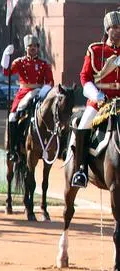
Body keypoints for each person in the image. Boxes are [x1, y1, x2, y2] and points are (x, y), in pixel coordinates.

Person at [70, 10, 120, 188]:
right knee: (83, 125)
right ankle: (80, 171)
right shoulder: (96, 49)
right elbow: (84, 77)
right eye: (115, 27)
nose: (118, 30)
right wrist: (97, 95)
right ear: (107, 29)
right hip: (100, 101)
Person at [1, 36, 54, 160]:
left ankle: (56, 146)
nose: (33, 49)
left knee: (53, 114)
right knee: (12, 116)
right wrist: (6, 56)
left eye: (35, 46)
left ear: (38, 48)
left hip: (40, 92)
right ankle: (13, 148)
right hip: (23, 93)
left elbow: (50, 81)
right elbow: (6, 72)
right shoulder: (19, 62)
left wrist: (44, 91)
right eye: (30, 47)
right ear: (26, 48)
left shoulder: (43, 64)